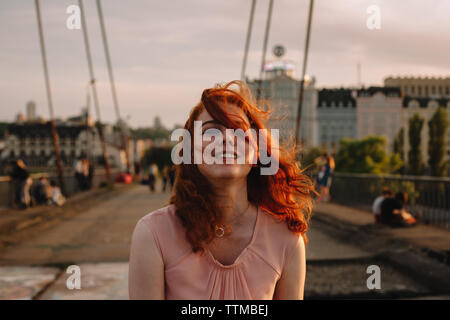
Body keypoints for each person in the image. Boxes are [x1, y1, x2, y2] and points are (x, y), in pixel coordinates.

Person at [129, 80, 315, 300]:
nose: (226, 139)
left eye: (238, 130)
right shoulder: (153, 234)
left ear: (257, 153)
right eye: (211, 132)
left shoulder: (287, 240)